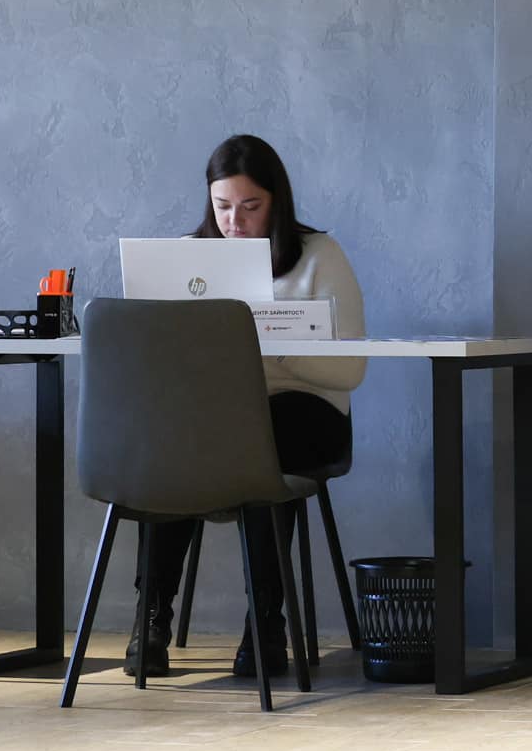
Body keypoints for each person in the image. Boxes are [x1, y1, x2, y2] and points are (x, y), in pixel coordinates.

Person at [128, 134, 366, 680]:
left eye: (250, 206)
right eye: (223, 207)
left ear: (277, 202)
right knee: (173, 440)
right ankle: (151, 617)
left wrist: (269, 342)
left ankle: (264, 621)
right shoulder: (185, 259)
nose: (235, 222)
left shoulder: (318, 255)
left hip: (303, 416)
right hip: (214, 417)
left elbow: (350, 370)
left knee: (259, 435)